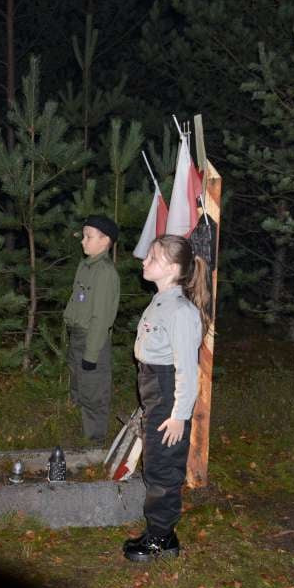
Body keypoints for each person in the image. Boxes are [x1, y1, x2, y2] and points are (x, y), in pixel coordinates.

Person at [122, 234, 211, 563]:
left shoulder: (181, 312)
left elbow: (187, 370)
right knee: (156, 460)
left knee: (163, 466)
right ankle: (161, 534)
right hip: (155, 387)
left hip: (167, 391)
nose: (144, 262)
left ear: (173, 268)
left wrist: (178, 416)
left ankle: (161, 538)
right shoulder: (161, 301)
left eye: (153, 258)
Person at [63, 215, 121, 442]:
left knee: (93, 389)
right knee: (79, 383)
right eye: (84, 236)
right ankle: (78, 428)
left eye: (88, 237)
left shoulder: (104, 272)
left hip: (92, 339)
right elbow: (77, 299)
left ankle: (95, 440)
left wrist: (91, 353)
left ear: (105, 241)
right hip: (78, 335)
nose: (83, 241)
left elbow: (101, 318)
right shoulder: (85, 266)